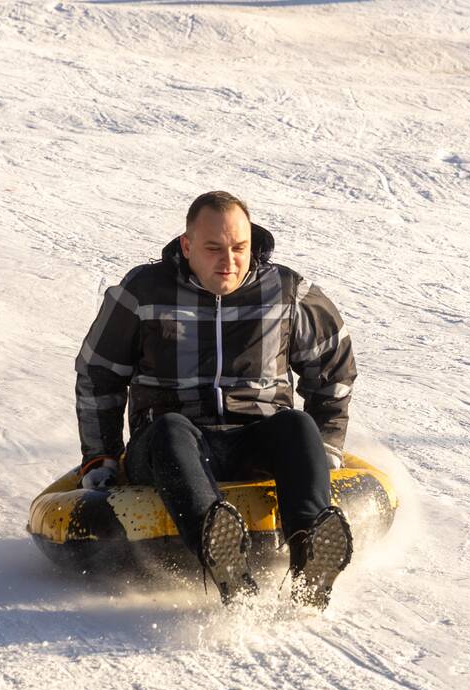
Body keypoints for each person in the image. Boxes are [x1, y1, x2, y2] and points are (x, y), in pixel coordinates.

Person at [75, 192, 357, 607]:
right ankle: (223, 555)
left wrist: (326, 446)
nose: (228, 260)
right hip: (171, 446)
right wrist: (101, 456)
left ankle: (310, 558)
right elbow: (99, 374)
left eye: (239, 248)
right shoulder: (142, 293)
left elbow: (333, 367)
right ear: (187, 246)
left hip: (254, 437)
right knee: (171, 429)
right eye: (213, 248)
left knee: (297, 426)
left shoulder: (286, 292)